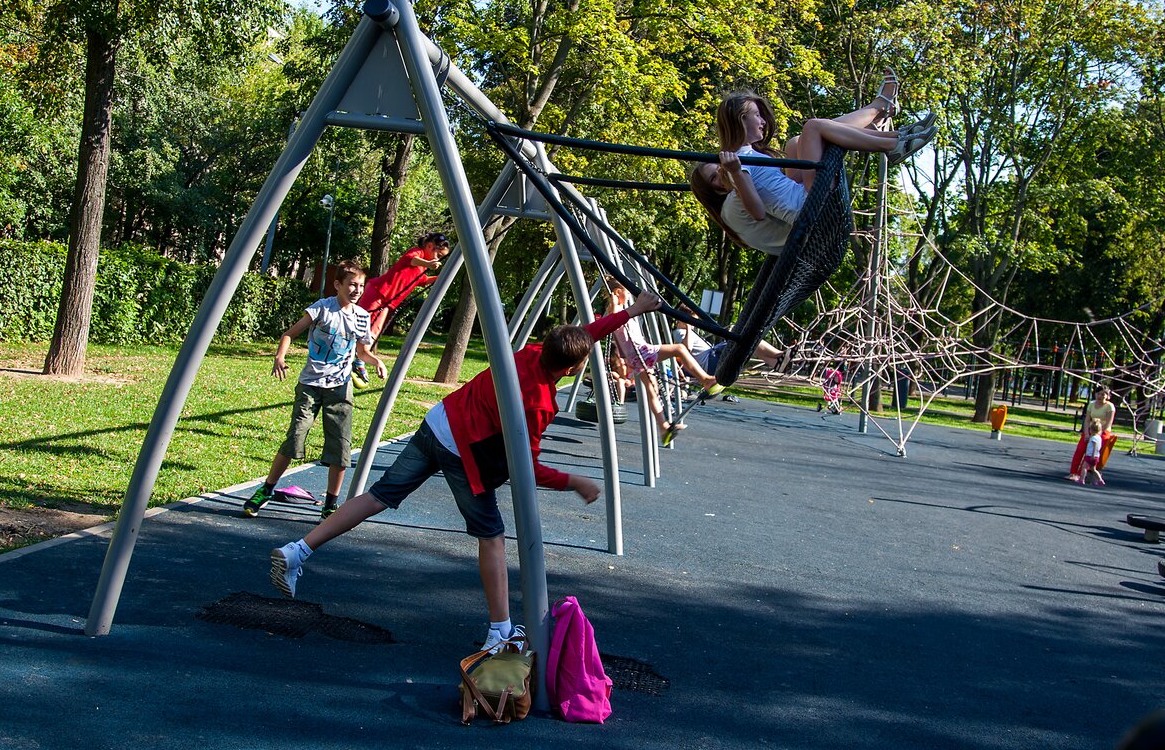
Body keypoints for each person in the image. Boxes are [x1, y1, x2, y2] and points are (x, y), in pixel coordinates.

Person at [268, 289, 666, 653]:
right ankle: (500, 629)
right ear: (572, 368)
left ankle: (297, 550)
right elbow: (524, 469)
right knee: (492, 536)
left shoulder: (531, 352)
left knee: (377, 496)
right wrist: (573, 481)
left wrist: (630, 311)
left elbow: (584, 334)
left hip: (438, 422)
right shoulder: (539, 402)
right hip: (462, 450)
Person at [689, 72, 937, 255]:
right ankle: (891, 139)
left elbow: (776, 187)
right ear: (741, 121)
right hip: (810, 208)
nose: (763, 121)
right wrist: (735, 172)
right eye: (757, 115)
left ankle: (882, 127)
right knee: (813, 127)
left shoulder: (747, 154)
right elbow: (757, 212)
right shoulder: (735, 163)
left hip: (804, 200)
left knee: (795, 143)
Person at [242, 260, 388, 522]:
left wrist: (376, 362)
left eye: (361, 286)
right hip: (310, 385)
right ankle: (266, 489)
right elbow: (289, 334)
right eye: (352, 284)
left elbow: (362, 352)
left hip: (340, 389)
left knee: (340, 447)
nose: (357, 290)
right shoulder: (322, 309)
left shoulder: (362, 317)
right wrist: (279, 356)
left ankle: (330, 504)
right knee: (295, 438)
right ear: (337, 284)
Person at [604, 279, 722, 434]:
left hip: (637, 355)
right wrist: (615, 300)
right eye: (627, 292)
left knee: (653, 391)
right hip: (639, 352)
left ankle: (663, 427)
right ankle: (706, 380)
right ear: (618, 293)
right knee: (679, 348)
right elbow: (613, 311)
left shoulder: (622, 309)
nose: (629, 296)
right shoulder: (616, 309)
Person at [357, 232, 452, 349]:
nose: (438, 259)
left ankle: (360, 358)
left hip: (387, 302)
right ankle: (352, 352)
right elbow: (411, 259)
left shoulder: (422, 268)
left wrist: (441, 277)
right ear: (429, 246)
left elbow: (423, 281)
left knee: (374, 331)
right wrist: (428, 264)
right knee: (360, 324)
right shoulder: (417, 252)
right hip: (377, 292)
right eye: (438, 255)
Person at [672, 307, 794, 385]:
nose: (694, 325)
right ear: (683, 320)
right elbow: (686, 349)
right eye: (692, 321)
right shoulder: (679, 332)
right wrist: (688, 327)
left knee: (747, 346)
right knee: (745, 338)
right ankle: (779, 354)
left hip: (713, 357)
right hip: (710, 361)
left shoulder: (687, 332)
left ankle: (777, 364)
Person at [1068, 384, 1117, 481]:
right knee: (1080, 448)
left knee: (1090, 451)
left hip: (1102, 432)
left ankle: (1080, 474)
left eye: (1103, 394)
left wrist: (1098, 434)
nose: (1100, 396)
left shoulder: (1110, 407)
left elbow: (1108, 423)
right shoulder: (1091, 404)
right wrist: (1086, 433)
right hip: (1091, 429)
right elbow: (1087, 420)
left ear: (1107, 396)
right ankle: (1073, 472)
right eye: (1099, 394)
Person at [1074, 417, 1108, 486]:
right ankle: (1100, 480)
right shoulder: (1099, 438)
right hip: (1096, 456)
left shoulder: (1093, 438)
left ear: (1091, 430)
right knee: (1093, 469)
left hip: (1090, 456)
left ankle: (1082, 479)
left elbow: (1095, 447)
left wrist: (1093, 454)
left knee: (1084, 467)